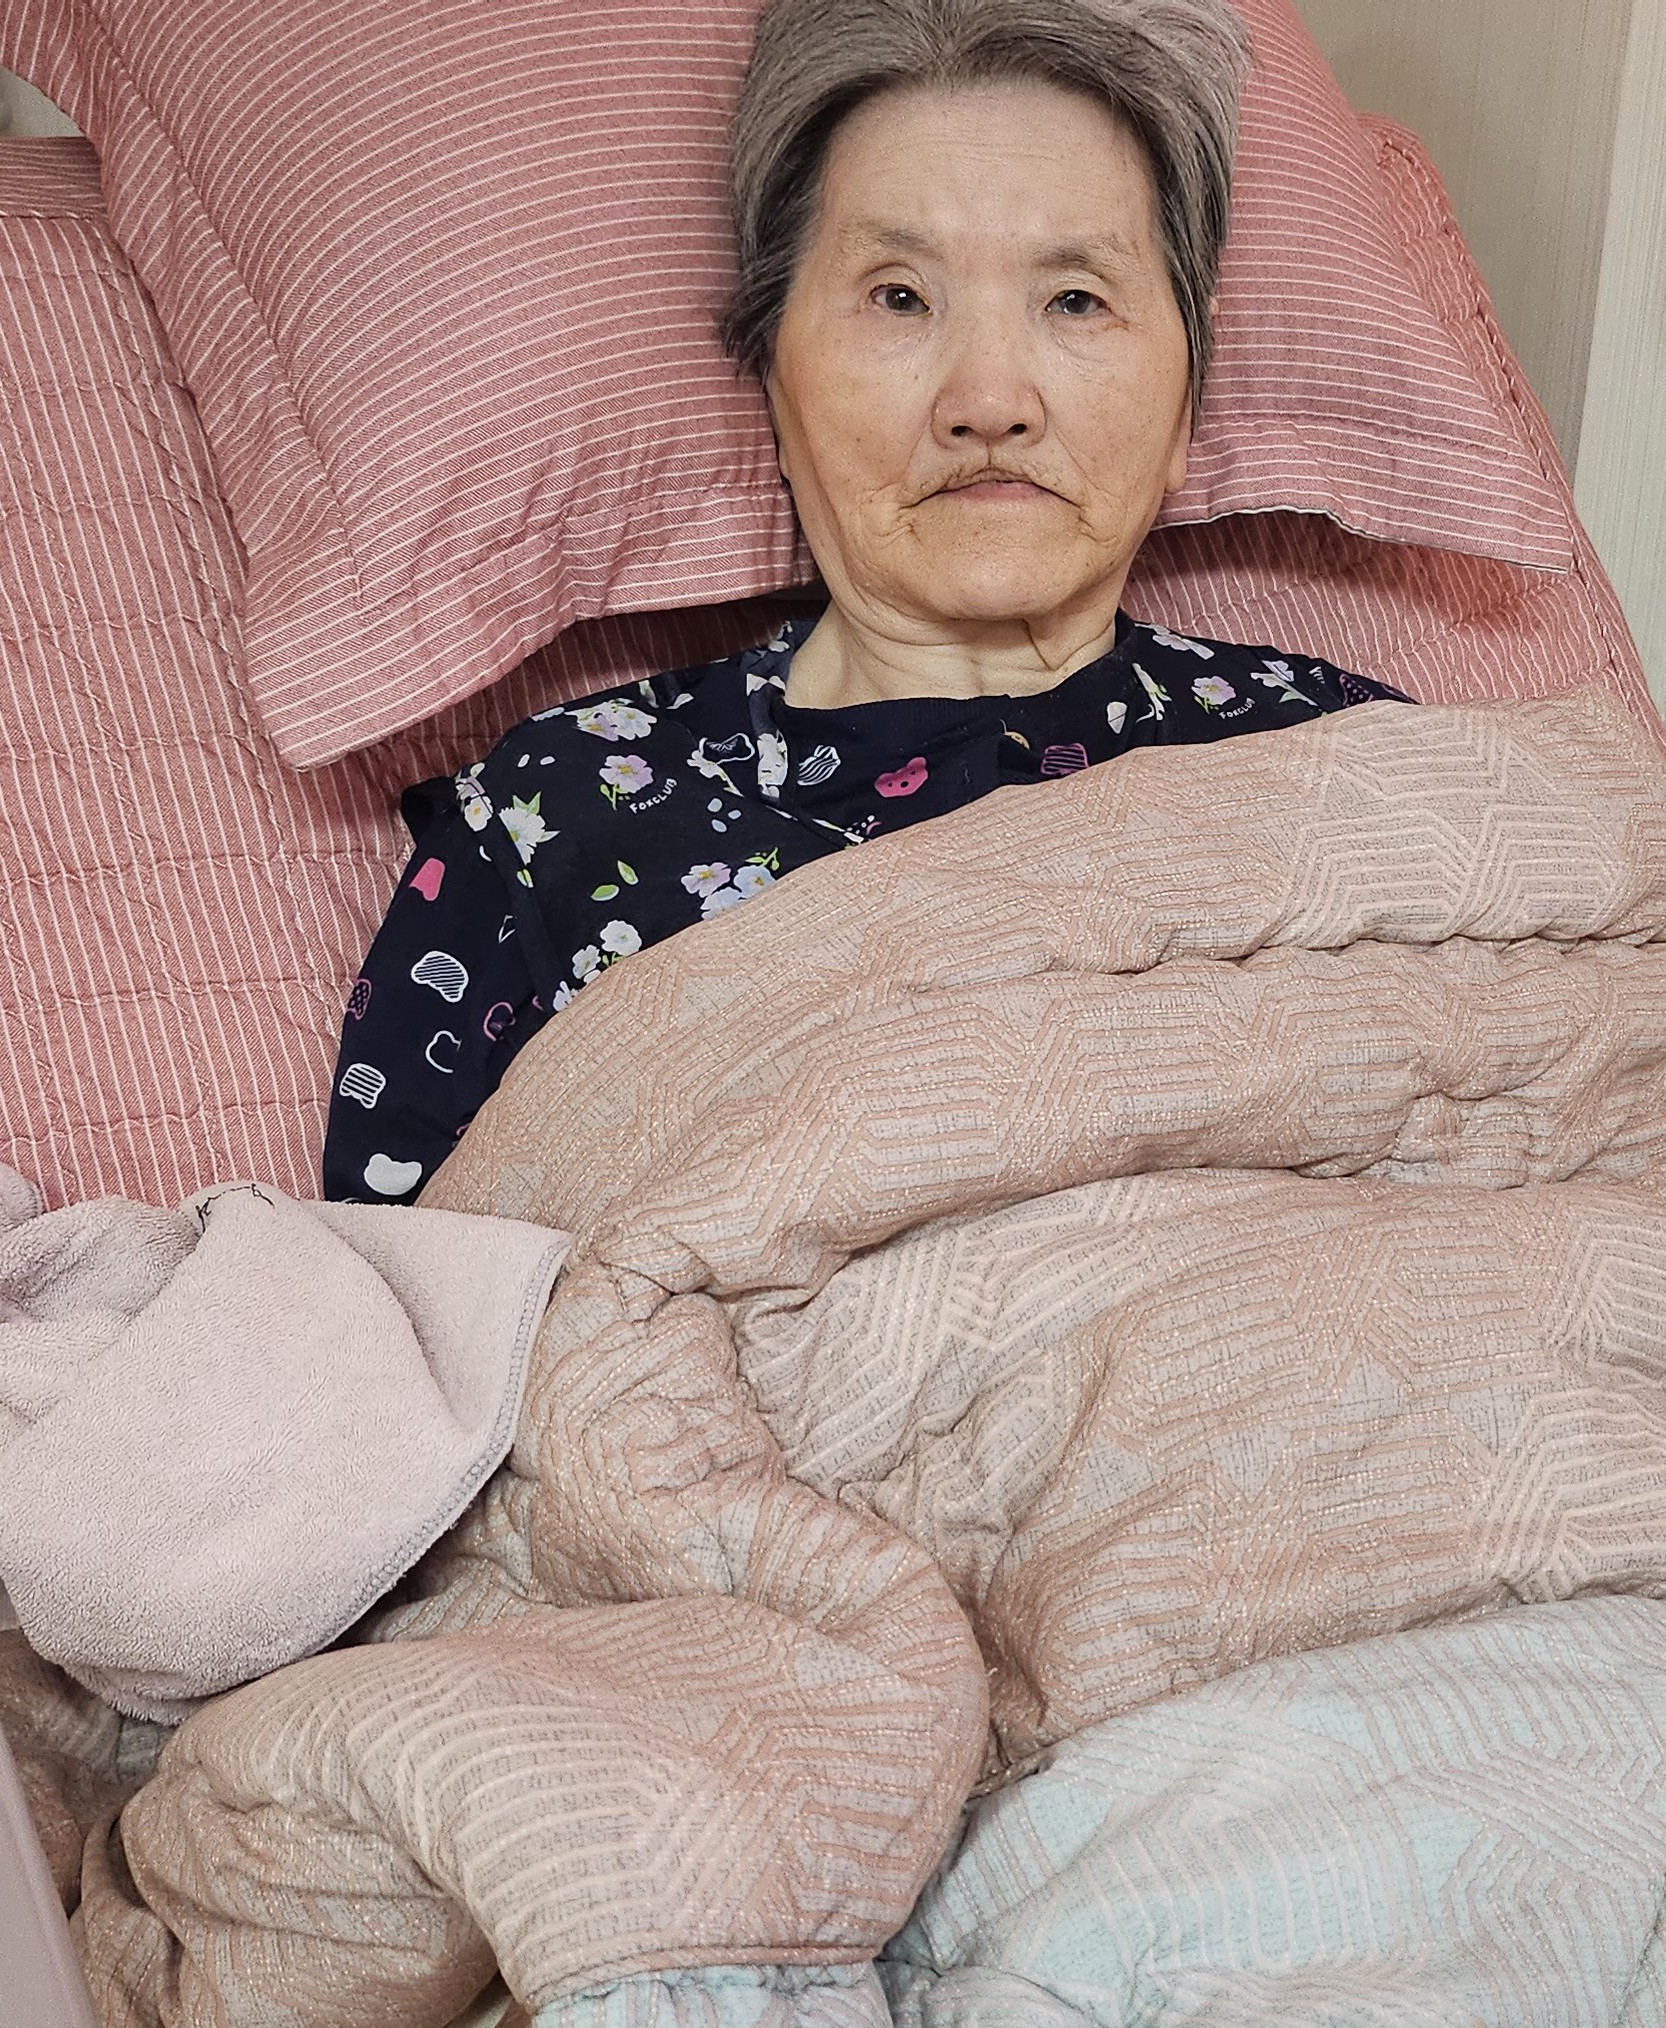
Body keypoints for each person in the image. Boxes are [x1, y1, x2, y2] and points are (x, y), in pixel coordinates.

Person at [320, 0, 1393, 1211]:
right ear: (772, 381)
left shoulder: (1353, 756)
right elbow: (402, 1290)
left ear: (1187, 402)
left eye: (1075, 299)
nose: (990, 401)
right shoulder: (557, 812)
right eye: (898, 297)